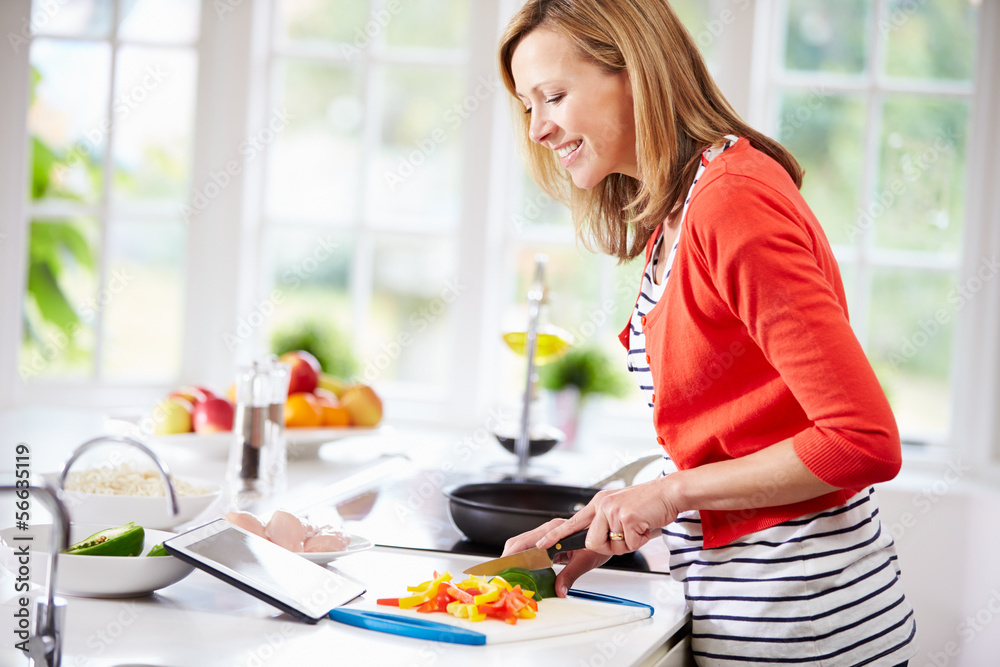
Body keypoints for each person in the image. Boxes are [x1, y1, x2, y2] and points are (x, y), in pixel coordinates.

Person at [497, 1, 917, 665]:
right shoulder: (680, 210)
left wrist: (669, 493)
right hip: (748, 613)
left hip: (801, 624)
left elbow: (862, 439)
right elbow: (737, 437)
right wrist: (613, 517)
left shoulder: (732, 202)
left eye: (553, 96)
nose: (539, 127)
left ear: (635, 70)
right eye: (527, 105)